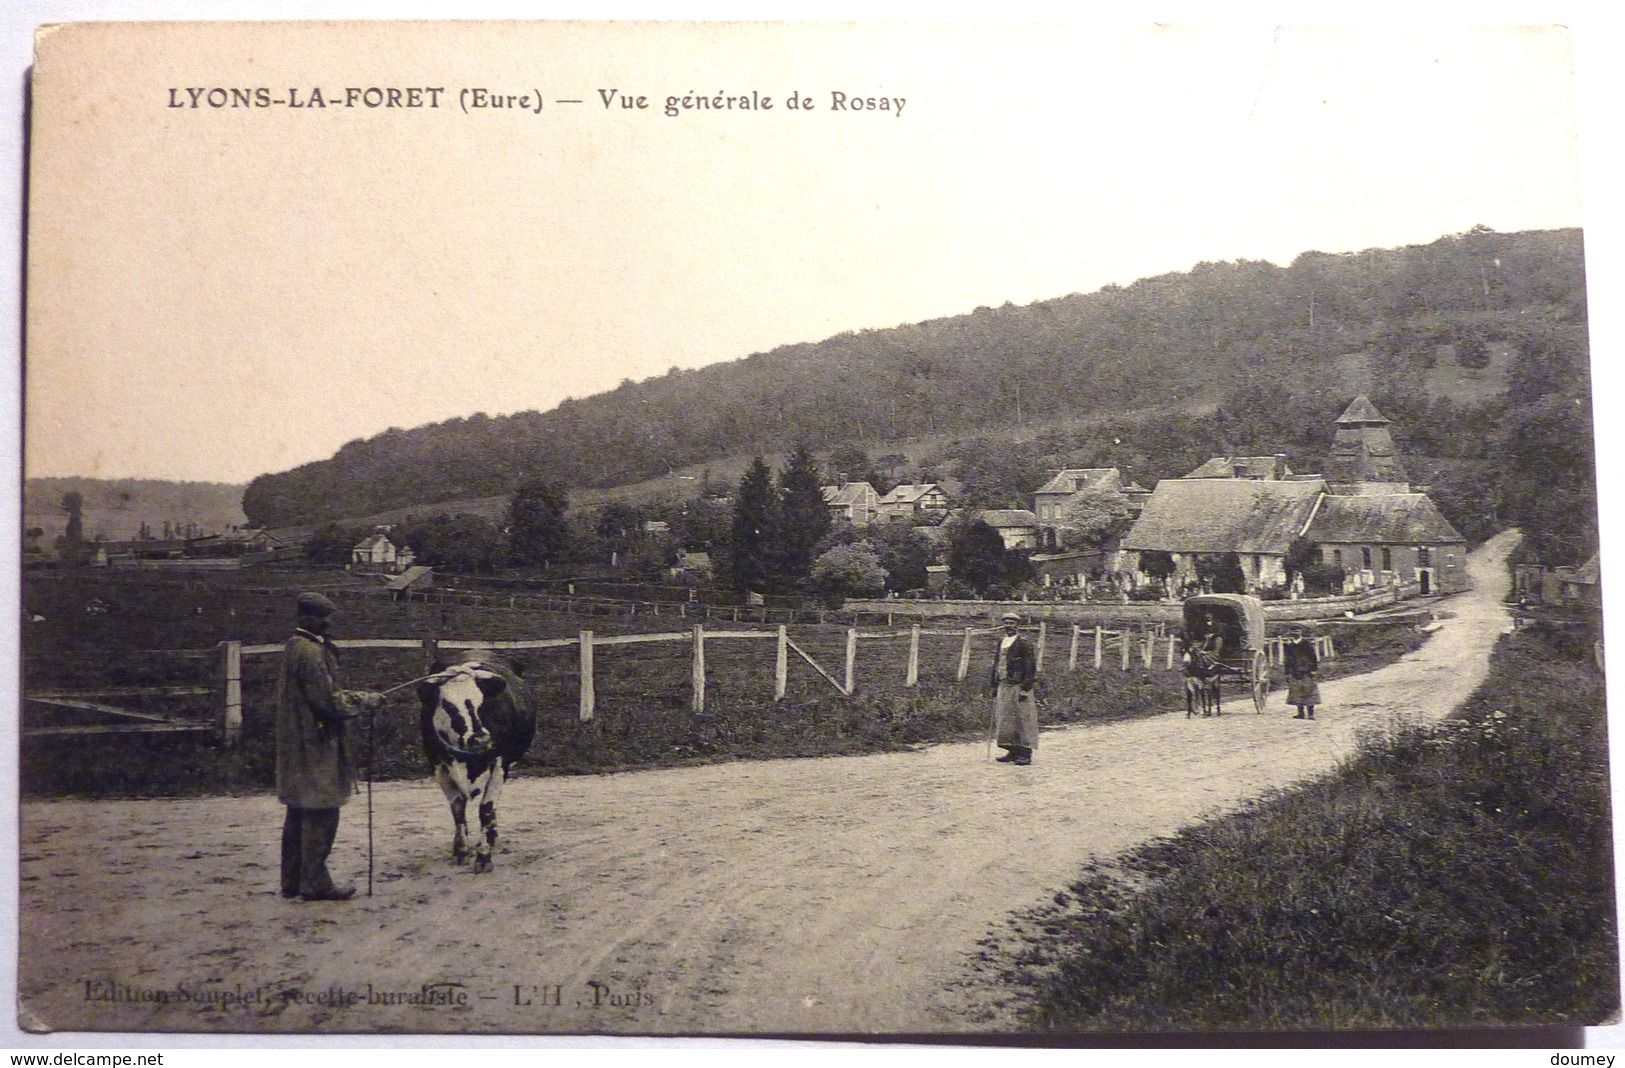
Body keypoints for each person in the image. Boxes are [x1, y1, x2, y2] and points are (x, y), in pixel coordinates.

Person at [276, 591, 379, 901]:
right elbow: (327, 702)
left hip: (297, 739)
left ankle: (292, 881)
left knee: (298, 811)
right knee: (322, 810)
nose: (328, 623)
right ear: (306, 617)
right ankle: (315, 882)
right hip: (315, 742)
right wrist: (365, 701)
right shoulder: (311, 653)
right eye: (323, 617)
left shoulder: (295, 647)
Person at [989, 611, 1038, 765]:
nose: (1008, 626)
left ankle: (1025, 753)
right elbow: (997, 664)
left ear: (1017, 625)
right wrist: (993, 685)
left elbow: (1030, 667)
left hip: (1018, 685)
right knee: (1006, 719)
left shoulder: (1023, 643)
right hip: (1004, 684)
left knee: (1022, 718)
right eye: (1006, 623)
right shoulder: (1002, 641)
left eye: (1011, 623)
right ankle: (1012, 751)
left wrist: (1025, 688)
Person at [1284, 636, 1321, 720]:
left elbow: (1313, 657)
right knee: (1297, 692)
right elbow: (1287, 660)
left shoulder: (1306, 643)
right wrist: (1287, 673)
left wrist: (1313, 669)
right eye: (1293, 631)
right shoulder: (1290, 645)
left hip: (1307, 671)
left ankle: (1311, 714)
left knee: (1309, 691)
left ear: (1300, 632)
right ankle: (1300, 713)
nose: (1295, 633)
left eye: (1297, 631)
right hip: (1295, 671)